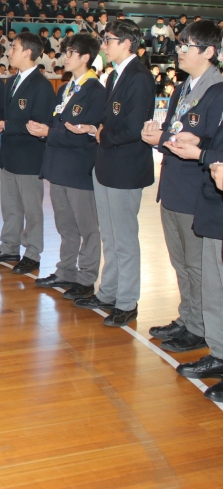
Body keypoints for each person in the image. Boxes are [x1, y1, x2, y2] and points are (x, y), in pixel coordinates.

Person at [141, 21, 223, 352]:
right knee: (181, 263)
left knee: (197, 266)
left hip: (197, 190)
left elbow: (210, 143)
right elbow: (179, 131)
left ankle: (201, 326)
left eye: (186, 46)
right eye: (179, 45)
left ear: (208, 52)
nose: (179, 51)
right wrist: (161, 135)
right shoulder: (184, 86)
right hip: (174, 183)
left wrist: (167, 139)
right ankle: (189, 317)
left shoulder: (217, 91)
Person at [71, 20, 155, 327]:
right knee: (109, 236)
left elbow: (133, 128)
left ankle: (127, 300)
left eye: (108, 40)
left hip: (126, 167)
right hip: (106, 164)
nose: (103, 46)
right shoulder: (115, 76)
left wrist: (102, 134)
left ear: (127, 43)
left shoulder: (140, 77)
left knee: (124, 239)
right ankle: (107, 293)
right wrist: (98, 130)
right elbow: (110, 120)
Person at [30, 34, 105, 300]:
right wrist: (45, 131)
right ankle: (65, 271)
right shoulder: (65, 88)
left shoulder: (96, 91)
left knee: (88, 227)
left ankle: (86, 278)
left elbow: (83, 133)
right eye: (66, 52)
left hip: (79, 168)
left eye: (72, 52)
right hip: (58, 165)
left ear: (86, 58)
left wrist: (48, 132)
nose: (66, 56)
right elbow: (58, 125)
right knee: (65, 225)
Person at [0, 31, 55, 274]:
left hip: (30, 156)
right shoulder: (12, 81)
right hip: (10, 153)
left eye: (13, 47)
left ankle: (33, 252)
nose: (10, 51)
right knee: (11, 205)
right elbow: (8, 116)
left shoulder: (42, 86)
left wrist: (5, 125)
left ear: (27, 52)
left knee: (32, 209)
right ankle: (9, 246)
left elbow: (38, 123)